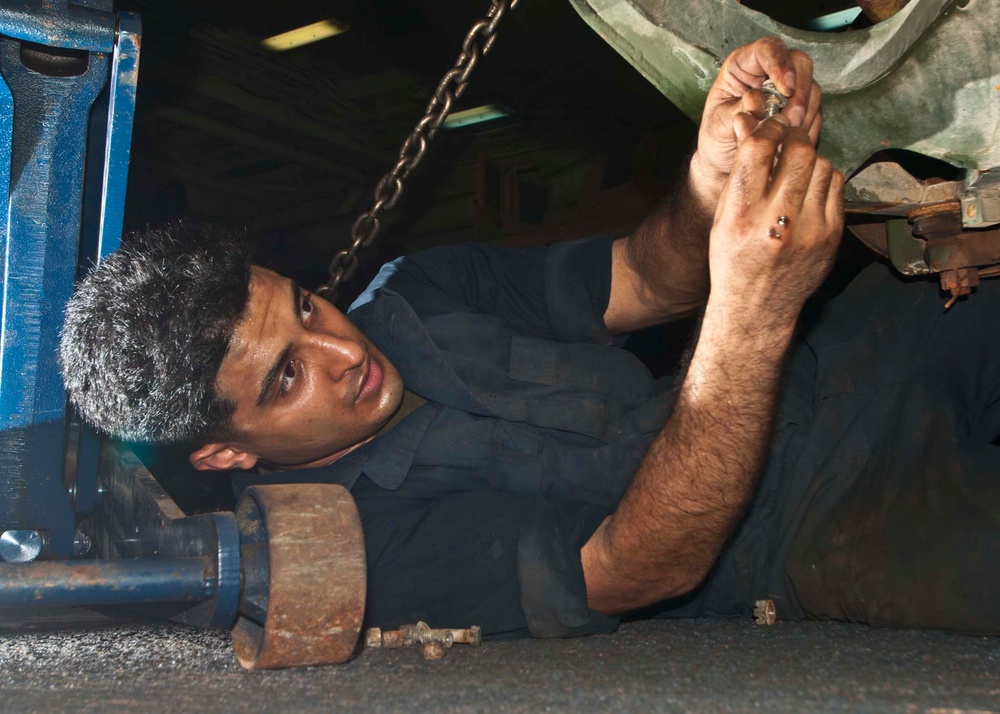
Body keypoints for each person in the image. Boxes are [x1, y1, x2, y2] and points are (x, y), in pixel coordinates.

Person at [60, 37, 1000, 638]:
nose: (346, 353)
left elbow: (642, 274)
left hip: (835, 365)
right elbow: (632, 569)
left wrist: (712, 182)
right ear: (227, 451)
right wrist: (749, 320)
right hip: (812, 529)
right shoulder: (354, 548)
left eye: (307, 306)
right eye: (286, 378)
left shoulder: (419, 291)